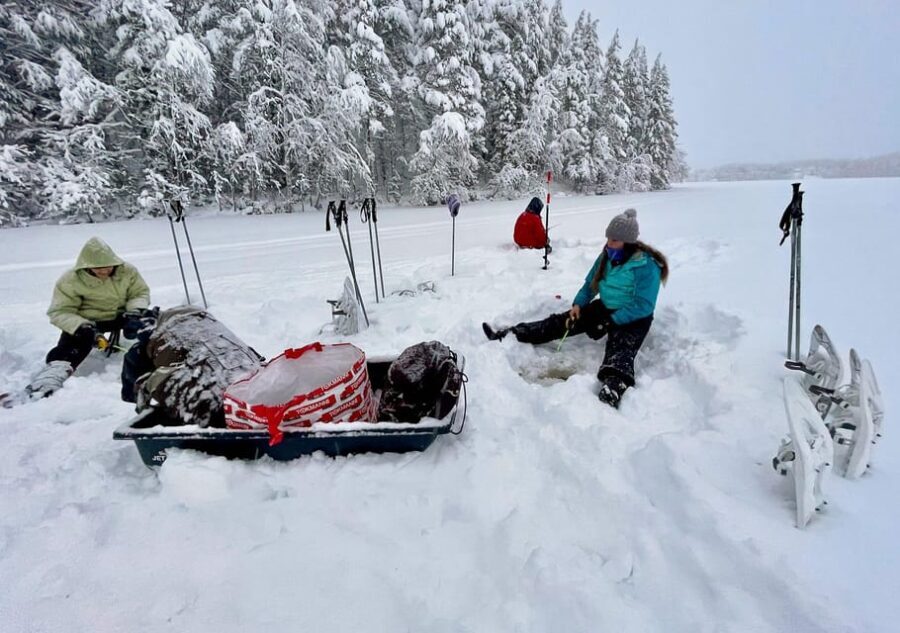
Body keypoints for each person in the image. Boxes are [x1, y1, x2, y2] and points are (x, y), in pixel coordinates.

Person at [484, 208, 668, 408]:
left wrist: (611, 322)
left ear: (629, 242)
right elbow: (591, 284)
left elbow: (644, 304)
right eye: (608, 239)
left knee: (621, 347)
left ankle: (614, 386)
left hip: (635, 317)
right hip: (606, 307)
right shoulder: (606, 256)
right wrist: (578, 305)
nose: (609, 244)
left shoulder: (647, 265)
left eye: (614, 240)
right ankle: (513, 333)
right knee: (560, 322)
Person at [28, 237, 152, 397]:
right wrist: (81, 327)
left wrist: (135, 313)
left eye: (107, 267)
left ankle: (168, 361)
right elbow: (59, 311)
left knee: (151, 327)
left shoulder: (128, 271)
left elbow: (139, 293)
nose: (103, 272)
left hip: (123, 316)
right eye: (97, 268)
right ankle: (49, 379)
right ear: (85, 266)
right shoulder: (70, 280)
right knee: (73, 346)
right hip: (87, 322)